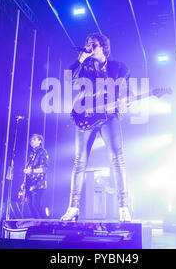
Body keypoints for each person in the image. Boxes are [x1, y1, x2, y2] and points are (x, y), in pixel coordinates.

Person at [61, 32, 132, 222]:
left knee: (117, 159)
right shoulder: (84, 67)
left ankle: (123, 207)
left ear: (103, 47)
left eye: (94, 44)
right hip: (86, 116)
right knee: (79, 162)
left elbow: (126, 89)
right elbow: (70, 81)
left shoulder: (118, 68)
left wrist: (126, 99)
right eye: (88, 44)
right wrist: (80, 59)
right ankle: (73, 208)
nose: (90, 47)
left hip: (108, 116)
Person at [20, 134, 48, 218]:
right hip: (30, 183)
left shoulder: (43, 152)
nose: (32, 141)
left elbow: (45, 169)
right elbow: (28, 169)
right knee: (30, 204)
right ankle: (37, 222)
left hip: (39, 182)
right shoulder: (32, 154)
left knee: (36, 204)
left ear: (39, 141)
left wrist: (31, 171)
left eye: (34, 139)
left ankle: (45, 223)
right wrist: (24, 182)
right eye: (31, 140)